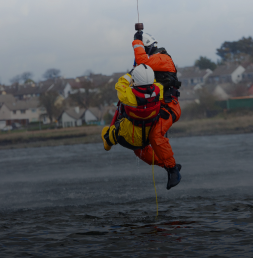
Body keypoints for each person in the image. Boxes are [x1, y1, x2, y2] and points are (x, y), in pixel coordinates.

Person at [131, 31, 182, 190]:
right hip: (152, 108)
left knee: (155, 135)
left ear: (149, 48)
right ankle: (168, 166)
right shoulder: (146, 65)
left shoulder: (162, 58)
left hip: (169, 106)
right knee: (138, 147)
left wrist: (136, 43)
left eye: (142, 49)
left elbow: (142, 63)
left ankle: (172, 169)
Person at [101, 63, 163, 151]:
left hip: (127, 139)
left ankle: (108, 142)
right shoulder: (159, 91)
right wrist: (146, 74)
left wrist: (130, 73)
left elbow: (120, 84)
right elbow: (155, 84)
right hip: (149, 139)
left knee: (112, 131)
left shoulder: (127, 95)